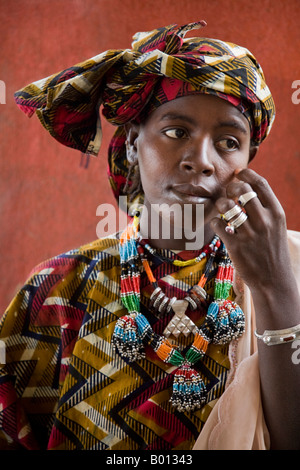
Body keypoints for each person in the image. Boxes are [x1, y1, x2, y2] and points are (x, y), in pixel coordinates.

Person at [1, 21, 300, 451]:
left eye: (228, 141)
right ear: (131, 143)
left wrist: (275, 291)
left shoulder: (288, 271)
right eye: (177, 132)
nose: (201, 161)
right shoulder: (56, 291)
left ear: (248, 160)